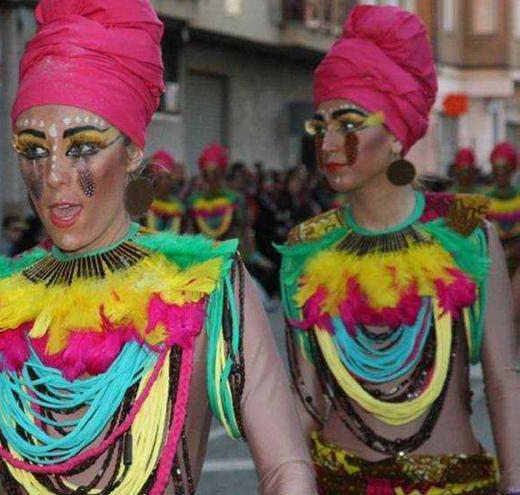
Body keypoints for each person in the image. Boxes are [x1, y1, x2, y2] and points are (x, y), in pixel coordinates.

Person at [0, 1, 316, 493]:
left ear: (132, 153)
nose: (54, 176)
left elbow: (284, 469)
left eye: (82, 146)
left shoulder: (206, 289)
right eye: (34, 149)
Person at [278, 6, 520, 494]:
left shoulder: (463, 232)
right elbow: (305, 399)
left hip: (455, 484)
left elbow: (503, 379)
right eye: (320, 124)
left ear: (394, 136)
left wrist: (515, 480)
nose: (328, 143)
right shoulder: (307, 247)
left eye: (348, 123)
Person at [186, 143, 247, 241]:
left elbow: (242, 232)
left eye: (215, 173)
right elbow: (189, 233)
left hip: (229, 251)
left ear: (222, 173)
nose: (211, 178)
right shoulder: (193, 201)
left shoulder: (236, 199)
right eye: (207, 174)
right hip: (202, 252)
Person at [486, 141, 520, 275]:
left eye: (505, 169)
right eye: (497, 169)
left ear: (512, 170)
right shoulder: (484, 200)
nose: (501, 173)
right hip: (492, 266)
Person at [144, 149, 186, 233]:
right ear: (154, 180)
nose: (164, 182)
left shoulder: (179, 207)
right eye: (160, 177)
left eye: (167, 177)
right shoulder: (144, 205)